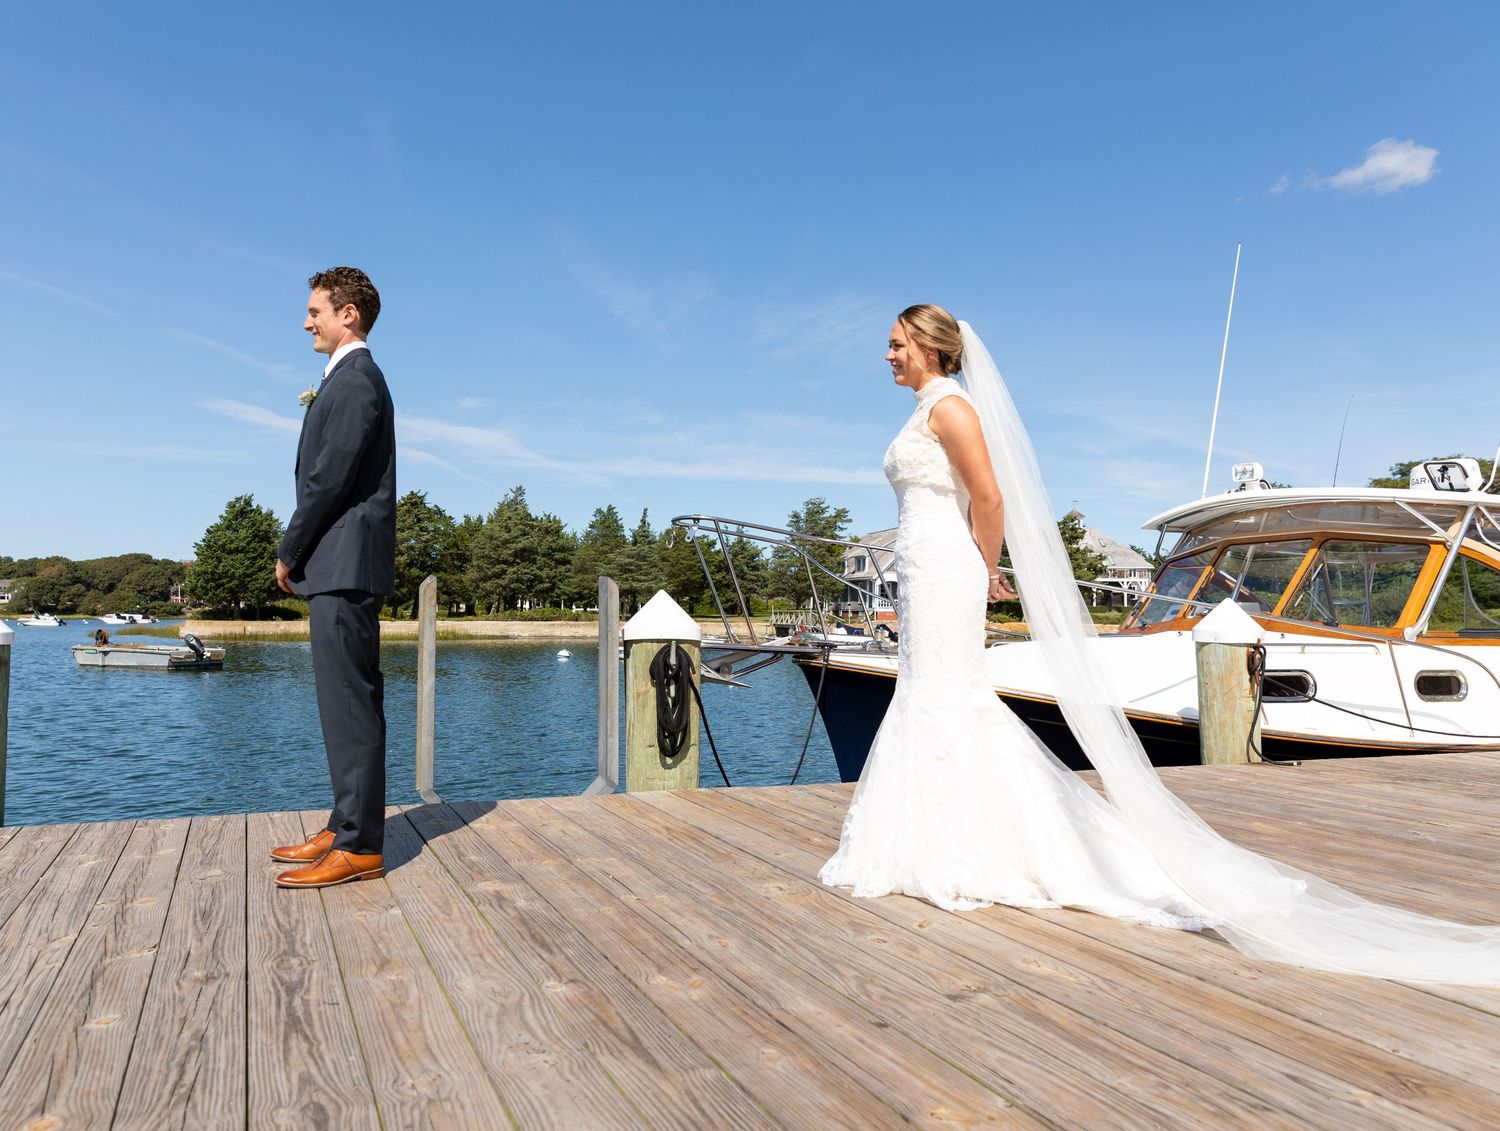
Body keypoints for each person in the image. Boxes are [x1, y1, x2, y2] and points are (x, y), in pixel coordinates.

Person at [821, 303, 1500, 985]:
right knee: (928, 694)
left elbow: (989, 498)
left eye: (896, 344)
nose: (887, 355)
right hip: (922, 565)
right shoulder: (924, 410)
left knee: (948, 696)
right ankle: (932, 838)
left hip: (948, 566)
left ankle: (966, 842)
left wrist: (984, 565)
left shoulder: (952, 410)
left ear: (932, 348)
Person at [270, 267, 397, 889]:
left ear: (349, 314)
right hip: (343, 563)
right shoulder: (347, 380)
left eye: (315, 309)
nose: (306, 320)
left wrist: (290, 550)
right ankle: (345, 823)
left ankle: (360, 845)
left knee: (349, 702)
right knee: (345, 700)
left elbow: (329, 478)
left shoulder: (355, 382)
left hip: (344, 563)